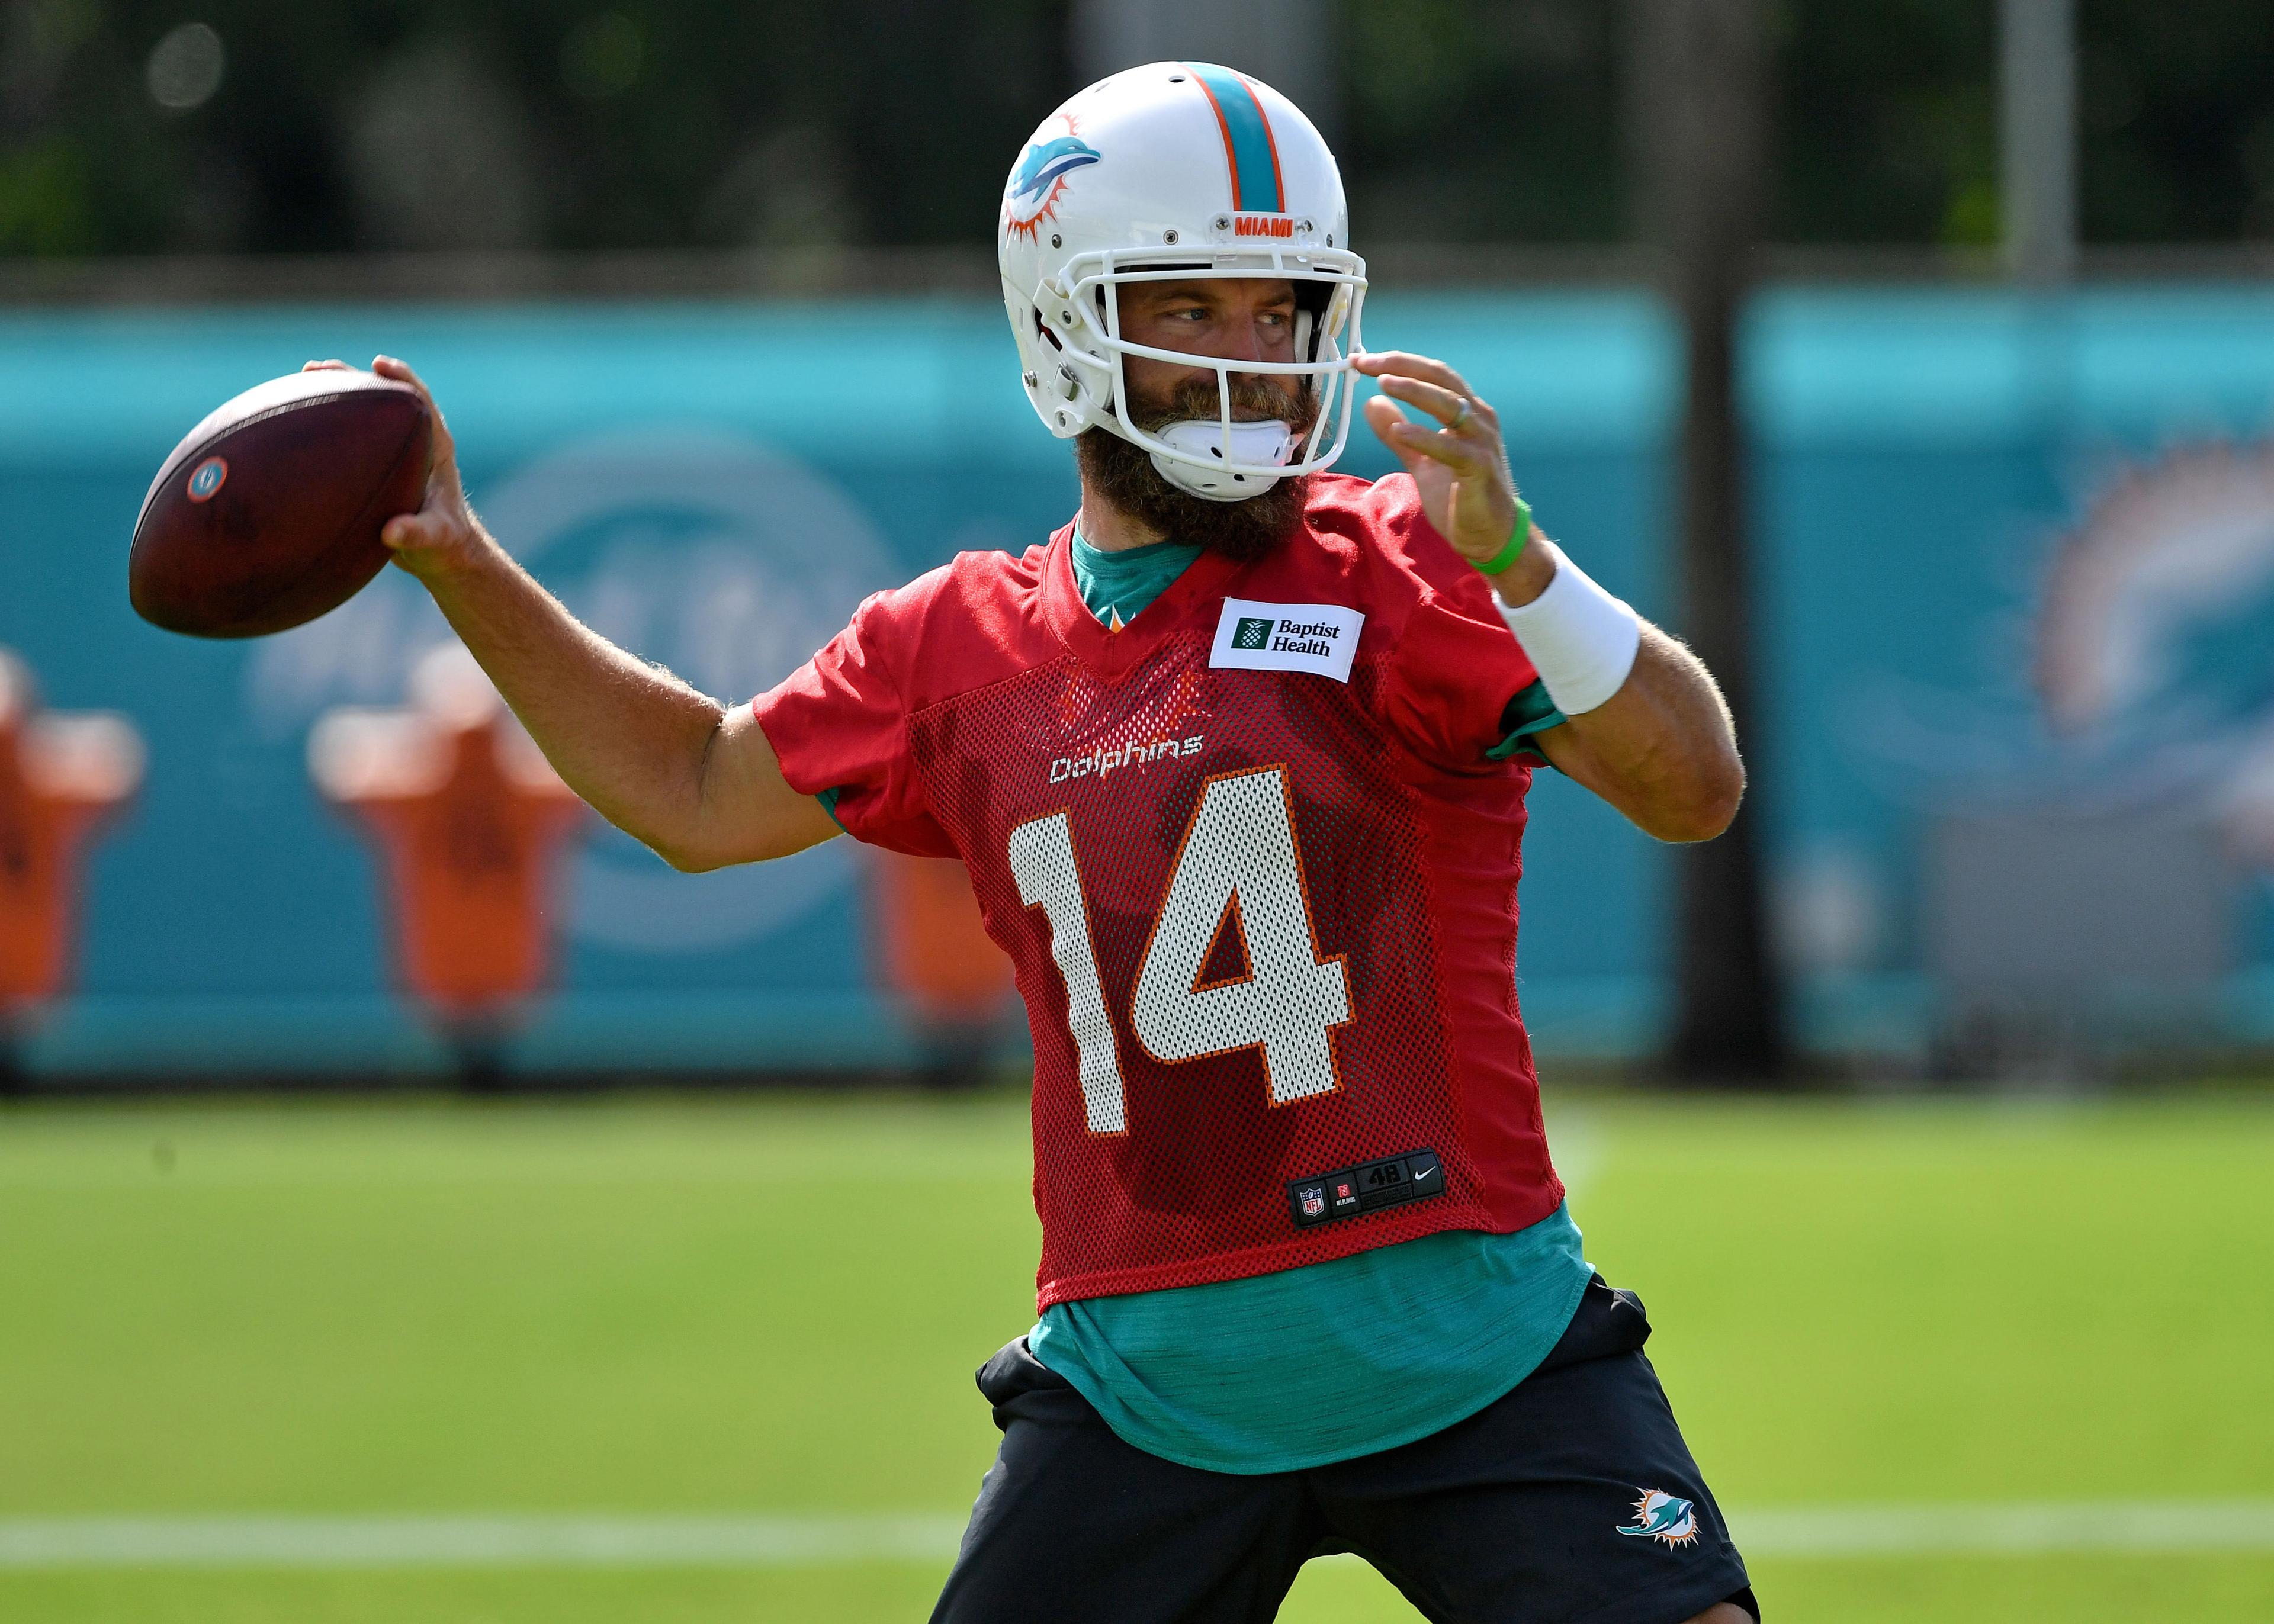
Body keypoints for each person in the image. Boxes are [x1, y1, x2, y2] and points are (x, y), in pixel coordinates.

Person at [311, 59, 1758, 1624]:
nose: (1258, 360)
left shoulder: (1399, 560)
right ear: (1068, 320)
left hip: (1476, 1351)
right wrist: (462, 568)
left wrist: (1523, 561)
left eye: (1283, 313)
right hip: (1150, 1396)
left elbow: (1693, 785)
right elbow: (692, 787)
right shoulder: (963, 649)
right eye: (1198, 308)